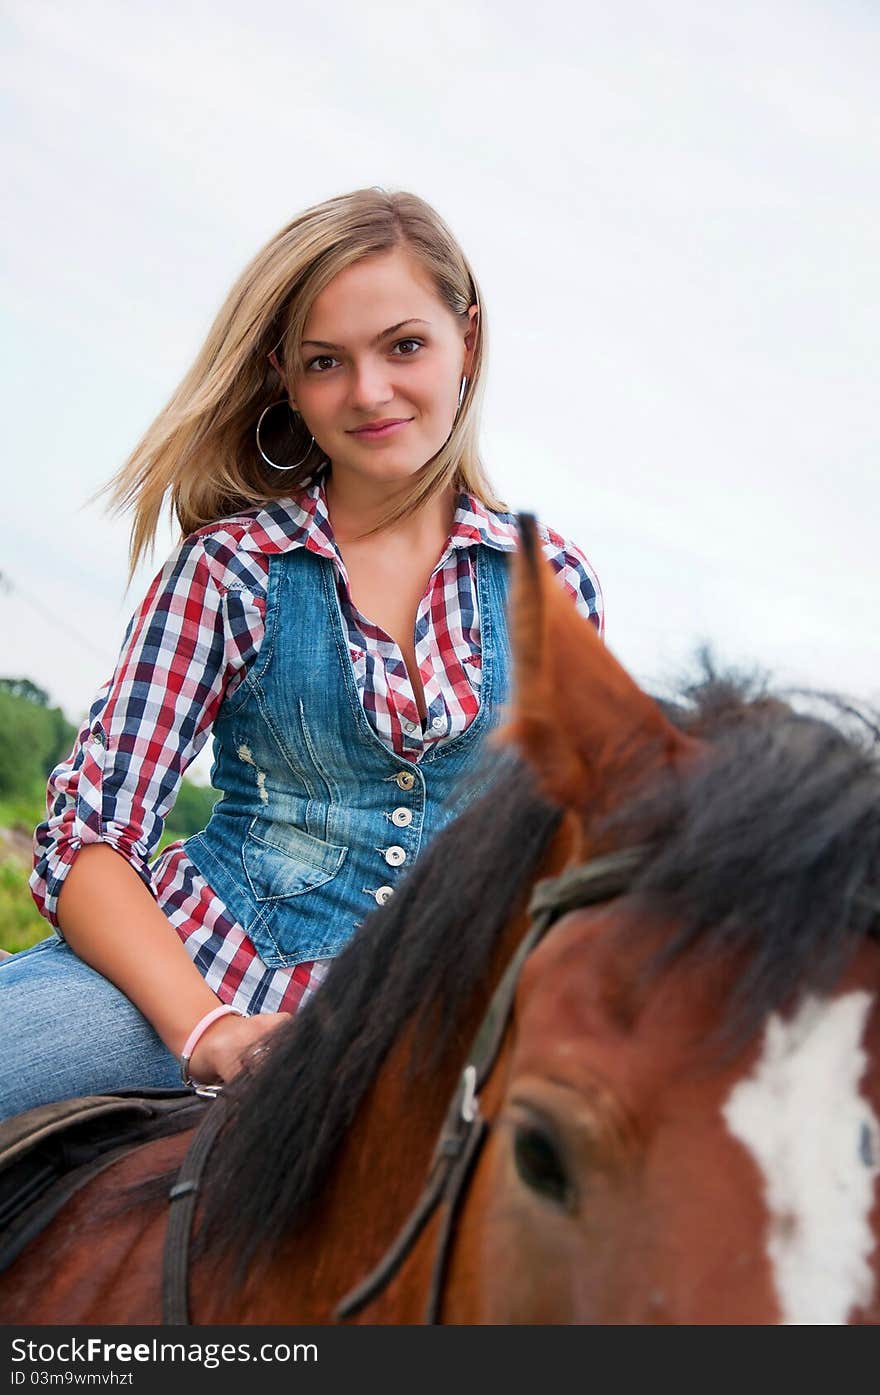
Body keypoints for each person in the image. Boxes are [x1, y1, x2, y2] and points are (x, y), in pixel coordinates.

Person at [0, 188, 603, 1121]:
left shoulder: (551, 587)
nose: (369, 392)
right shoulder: (233, 570)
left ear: (467, 342)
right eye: (328, 362)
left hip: (440, 1043)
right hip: (192, 982)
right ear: (286, 376)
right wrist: (209, 1028)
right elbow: (88, 832)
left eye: (405, 346)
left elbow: (567, 859)